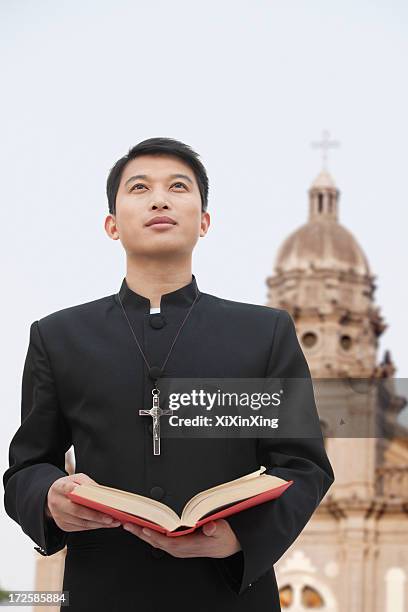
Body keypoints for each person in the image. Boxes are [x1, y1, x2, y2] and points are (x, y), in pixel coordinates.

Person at [3, 137, 335, 611]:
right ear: (112, 225)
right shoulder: (58, 336)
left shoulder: (265, 333)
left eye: (178, 186)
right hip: (102, 593)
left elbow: (304, 466)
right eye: (139, 187)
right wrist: (47, 497)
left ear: (204, 222)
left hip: (228, 592)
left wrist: (239, 536)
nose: (159, 198)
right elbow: (27, 465)